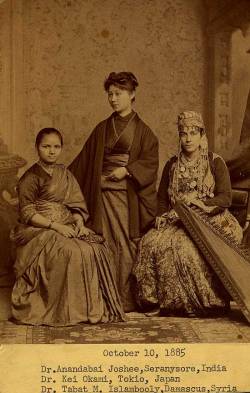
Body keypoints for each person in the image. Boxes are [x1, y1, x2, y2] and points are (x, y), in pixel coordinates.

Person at [133, 111, 246, 318]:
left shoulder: (215, 162)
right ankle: (158, 303)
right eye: (183, 133)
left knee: (183, 247)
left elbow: (225, 198)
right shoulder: (172, 164)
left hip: (209, 219)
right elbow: (161, 198)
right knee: (149, 242)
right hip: (177, 218)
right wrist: (160, 215)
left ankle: (201, 304)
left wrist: (200, 203)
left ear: (202, 135)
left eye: (193, 133)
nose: (188, 138)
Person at [11, 128, 125, 326]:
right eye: (46, 146)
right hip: (41, 230)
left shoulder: (65, 174)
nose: (51, 151)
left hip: (68, 225)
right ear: (37, 148)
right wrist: (56, 227)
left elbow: (76, 204)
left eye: (56, 147)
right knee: (70, 252)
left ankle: (92, 309)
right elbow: (27, 214)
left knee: (96, 249)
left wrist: (79, 223)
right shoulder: (29, 178)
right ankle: (66, 312)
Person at [69, 72, 159, 312]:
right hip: (100, 195)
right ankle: (104, 298)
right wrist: (60, 179)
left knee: (125, 244)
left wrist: (128, 170)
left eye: (118, 94)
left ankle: (125, 299)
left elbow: (150, 162)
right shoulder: (102, 128)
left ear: (132, 94)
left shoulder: (144, 132)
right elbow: (83, 162)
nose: (113, 99)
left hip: (125, 196)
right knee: (104, 243)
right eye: (110, 94)